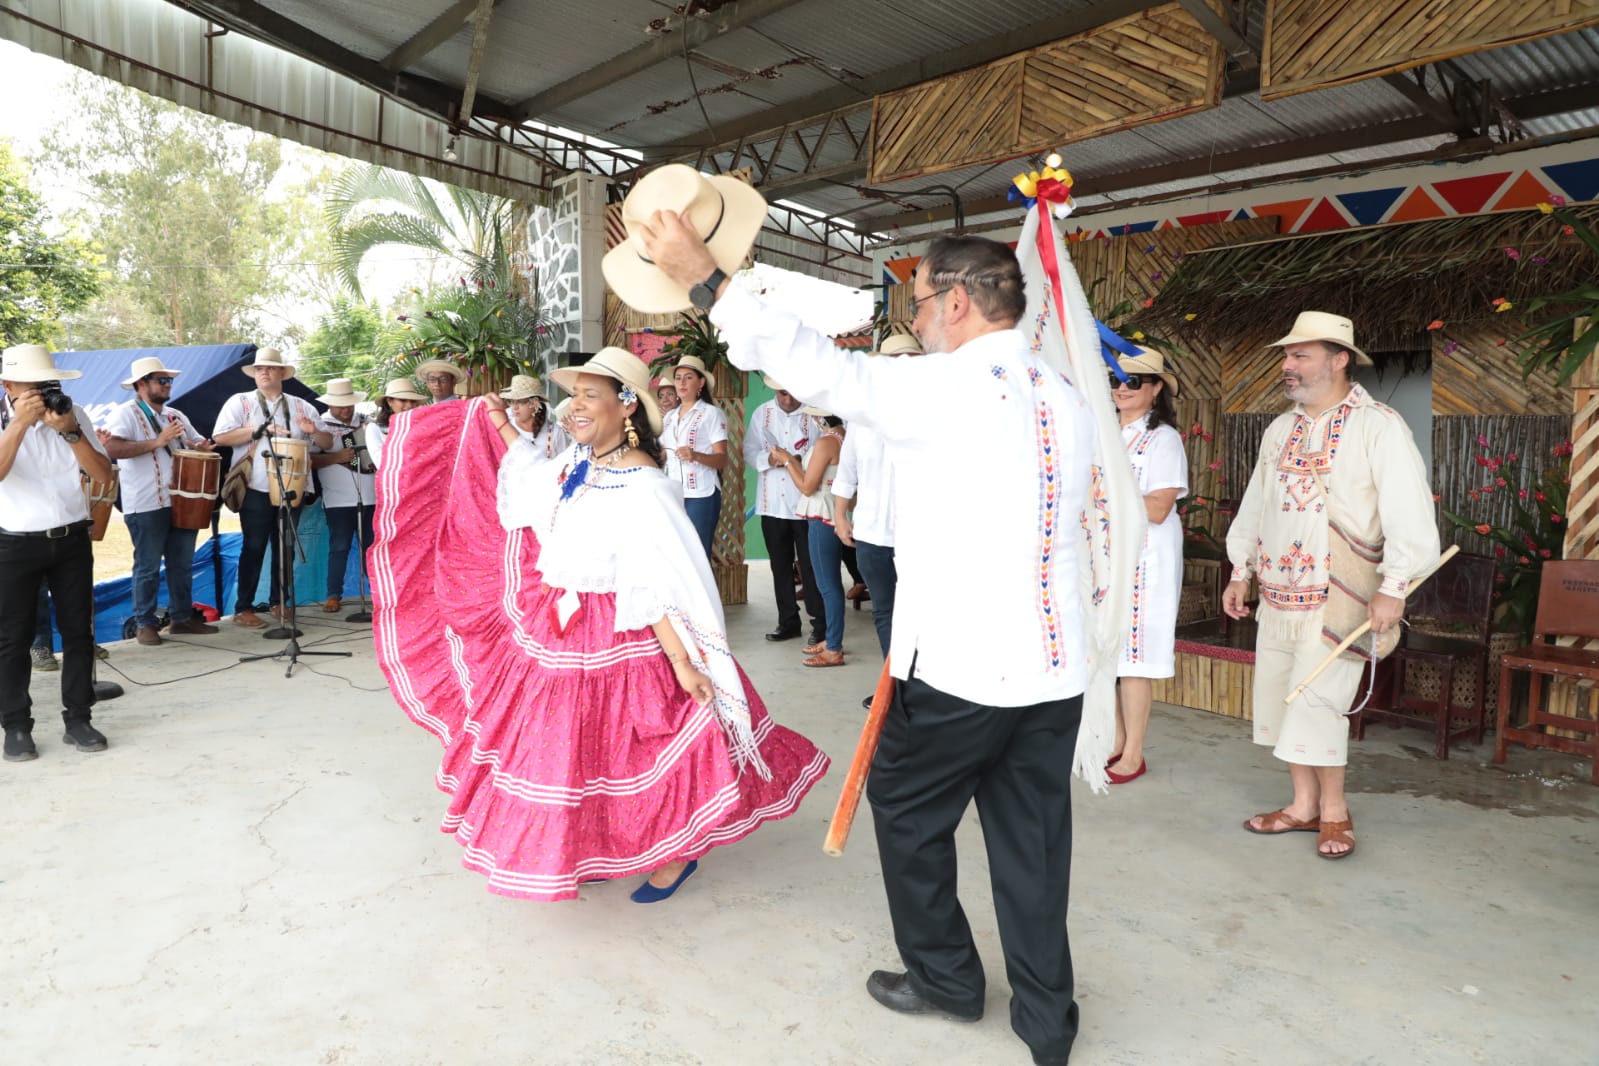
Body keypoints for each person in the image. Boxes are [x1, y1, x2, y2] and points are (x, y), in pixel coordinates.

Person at [635, 194, 1098, 1066]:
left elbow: (818, 371)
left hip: (963, 667)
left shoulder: (948, 385)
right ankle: (1047, 1023)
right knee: (1033, 842)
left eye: (918, 302)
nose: (915, 319)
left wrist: (706, 280)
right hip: (1052, 665)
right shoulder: (1062, 394)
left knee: (906, 809)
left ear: (958, 302)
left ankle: (947, 980)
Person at [369, 346, 829, 902]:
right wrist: (497, 422)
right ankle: (596, 845)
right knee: (577, 747)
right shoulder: (583, 462)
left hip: (624, 629)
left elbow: (659, 580)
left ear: (627, 405)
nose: (573, 407)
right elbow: (536, 481)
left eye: (591, 395)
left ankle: (677, 852)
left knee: (646, 747)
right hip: (561, 623)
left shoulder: (644, 484)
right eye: (573, 396)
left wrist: (682, 663)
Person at [1223, 311, 1439, 860]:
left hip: (1342, 594)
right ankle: (1301, 806)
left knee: (1320, 702)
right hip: (1278, 593)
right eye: (1287, 355)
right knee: (1283, 697)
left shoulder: (1378, 425)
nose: (1287, 365)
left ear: (1340, 359)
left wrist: (1394, 585)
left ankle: (1336, 812)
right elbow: (1257, 504)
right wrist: (1240, 569)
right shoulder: (1281, 427)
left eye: (1300, 355)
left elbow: (1409, 513)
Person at [1, 343, 117, 762]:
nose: (44, 393)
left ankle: (79, 718)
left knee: (78, 633)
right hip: (14, 543)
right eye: (34, 386)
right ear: (8, 385)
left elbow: (103, 477)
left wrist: (70, 431)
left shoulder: (72, 413)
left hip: (70, 538)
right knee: (12, 640)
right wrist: (18, 425)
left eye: (48, 384)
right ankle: (15, 726)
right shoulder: (4, 420)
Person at [1106, 347, 1188, 785]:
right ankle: (1116, 741)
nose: (1122, 387)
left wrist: (1102, 502)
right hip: (1107, 556)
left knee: (1134, 659)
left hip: (1145, 556)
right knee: (1111, 655)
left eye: (1134, 381)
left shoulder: (1162, 440)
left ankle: (1134, 752)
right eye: (1116, 379)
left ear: (1156, 389)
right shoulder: (1106, 434)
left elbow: (1158, 507)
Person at [101, 356, 221, 645]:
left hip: (182, 501)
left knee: (182, 563)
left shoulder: (176, 415)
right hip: (145, 503)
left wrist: (202, 446)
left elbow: (197, 442)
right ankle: (145, 623)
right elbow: (112, 448)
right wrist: (157, 442)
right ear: (142, 385)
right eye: (162, 380)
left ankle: (181, 618)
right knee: (148, 566)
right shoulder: (125, 413)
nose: (168, 385)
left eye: (169, 380)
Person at [211, 348, 333, 628]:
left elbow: (328, 444)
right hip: (256, 487)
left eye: (269, 368)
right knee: (253, 547)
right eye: (258, 369)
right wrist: (258, 430)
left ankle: (280, 601)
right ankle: (244, 607)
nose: (263, 372)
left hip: (293, 487)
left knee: (285, 547)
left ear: (282, 373)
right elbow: (220, 436)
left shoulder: (302, 406)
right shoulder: (240, 402)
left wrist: (314, 431)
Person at [834, 333, 921, 703]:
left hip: (920, 537)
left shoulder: (934, 412)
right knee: (884, 612)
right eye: (893, 359)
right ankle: (894, 691)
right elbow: (847, 472)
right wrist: (839, 514)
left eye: (908, 358)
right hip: (870, 535)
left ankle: (921, 692)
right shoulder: (861, 417)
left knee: (921, 618)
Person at [744, 377, 825, 646]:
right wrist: (770, 459)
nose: (788, 400)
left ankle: (820, 623)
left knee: (811, 566)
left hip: (805, 502)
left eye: (792, 394)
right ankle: (788, 621)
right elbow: (749, 452)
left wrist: (799, 461)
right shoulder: (762, 413)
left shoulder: (815, 412)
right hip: (772, 504)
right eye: (782, 394)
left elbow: (830, 448)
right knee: (780, 566)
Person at [785, 408, 847, 667]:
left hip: (822, 513)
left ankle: (833, 647)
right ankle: (833, 639)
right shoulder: (843, 437)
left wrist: (788, 461)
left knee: (827, 584)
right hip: (832, 511)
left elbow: (808, 487)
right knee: (829, 583)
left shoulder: (826, 442)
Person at [310, 379, 376, 613]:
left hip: (371, 496)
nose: (346, 409)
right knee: (339, 545)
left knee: (372, 546)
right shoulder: (320, 426)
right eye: (340, 405)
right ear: (331, 404)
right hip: (338, 499)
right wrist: (337, 457)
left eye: (349, 404)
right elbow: (310, 461)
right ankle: (333, 595)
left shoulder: (367, 424)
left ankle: (378, 593)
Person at [659, 354, 728, 557]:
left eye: (688, 377)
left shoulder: (711, 414)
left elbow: (722, 458)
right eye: (678, 377)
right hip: (674, 493)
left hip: (701, 493)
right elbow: (663, 455)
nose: (681, 382)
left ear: (701, 383)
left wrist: (695, 455)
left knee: (697, 555)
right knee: (677, 556)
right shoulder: (670, 417)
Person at [496, 374, 568, 458]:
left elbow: (565, 466)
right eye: (511, 401)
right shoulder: (505, 424)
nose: (514, 407)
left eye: (521, 401)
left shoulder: (555, 433)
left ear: (535, 404)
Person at [366, 378, 426, 470]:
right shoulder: (375, 428)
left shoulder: (423, 425)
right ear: (389, 401)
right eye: (403, 400)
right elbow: (381, 463)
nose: (409, 405)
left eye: (413, 401)